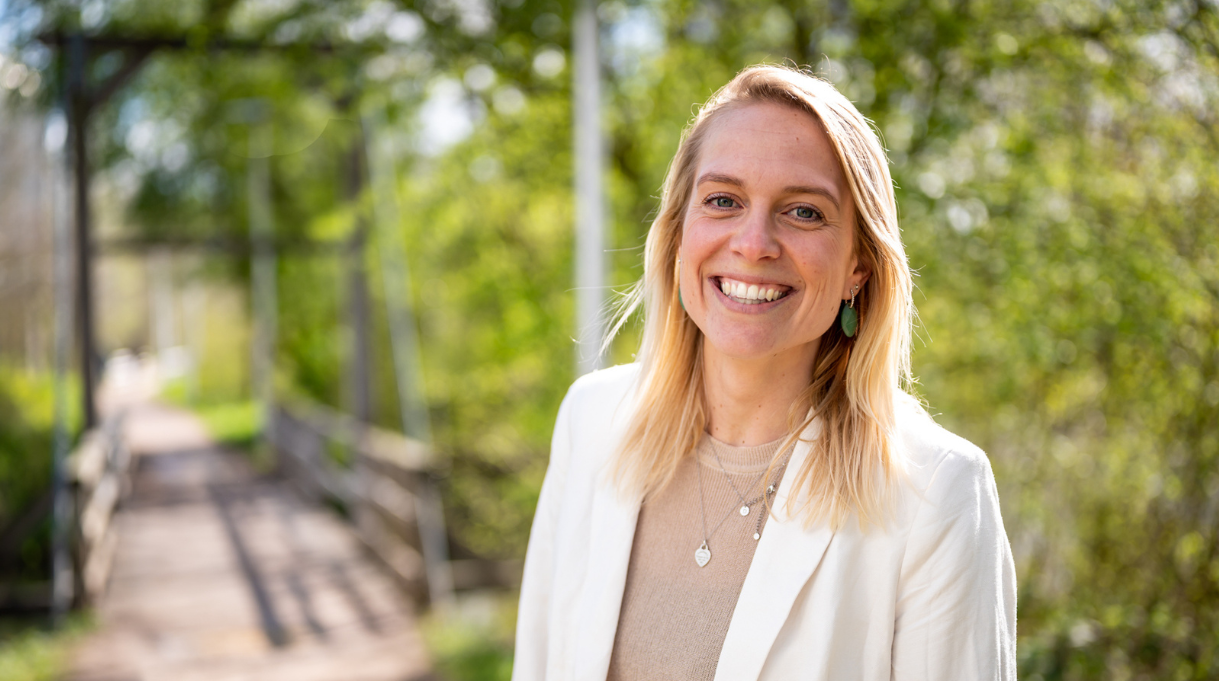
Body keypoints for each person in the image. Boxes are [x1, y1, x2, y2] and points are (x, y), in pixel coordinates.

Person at [513, 65, 1016, 681]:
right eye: (723, 201)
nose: (754, 243)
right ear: (678, 237)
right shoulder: (591, 422)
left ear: (860, 265)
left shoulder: (935, 492)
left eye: (803, 212)